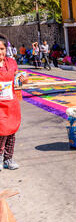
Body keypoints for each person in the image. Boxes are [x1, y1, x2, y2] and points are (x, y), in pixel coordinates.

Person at [0, 34, 28, 171]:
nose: (0, 52)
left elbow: (17, 79)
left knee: (11, 131)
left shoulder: (11, 63)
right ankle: (0, 157)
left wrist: (23, 79)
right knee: (2, 131)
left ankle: (8, 159)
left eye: (2, 49)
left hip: (11, 104)